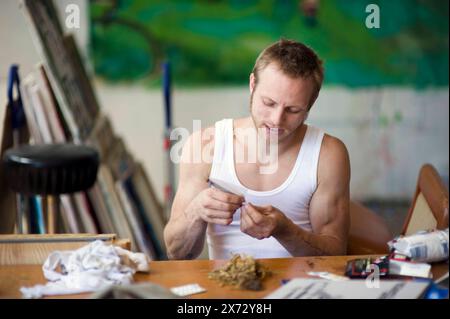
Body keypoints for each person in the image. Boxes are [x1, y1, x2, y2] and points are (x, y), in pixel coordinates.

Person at [164, 39, 350, 259]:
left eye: (293, 110)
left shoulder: (328, 154)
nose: (276, 120)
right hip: (227, 287)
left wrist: (285, 231)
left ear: (311, 102)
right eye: (268, 103)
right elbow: (177, 253)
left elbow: (336, 255)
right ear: (252, 85)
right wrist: (197, 211)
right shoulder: (204, 145)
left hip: (302, 288)